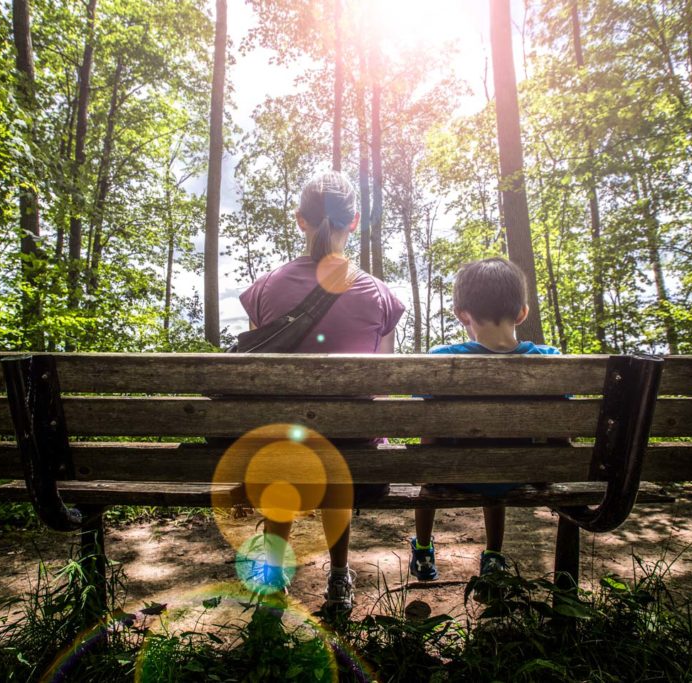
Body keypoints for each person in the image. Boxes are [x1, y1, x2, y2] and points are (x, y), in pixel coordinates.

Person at [238, 170, 405, 613]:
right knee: (341, 451)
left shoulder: (266, 288)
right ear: (353, 223)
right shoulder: (378, 294)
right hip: (355, 463)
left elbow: (261, 375)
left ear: (300, 220)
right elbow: (383, 383)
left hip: (279, 456)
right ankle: (338, 576)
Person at [409, 257, 560, 582]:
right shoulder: (549, 361)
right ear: (522, 312)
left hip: (453, 472)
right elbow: (561, 436)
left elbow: (428, 432)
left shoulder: (441, 359)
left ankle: (422, 549)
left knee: (430, 457)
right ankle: (493, 555)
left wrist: (430, 464)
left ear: (462, 313)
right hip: (518, 473)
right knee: (500, 462)